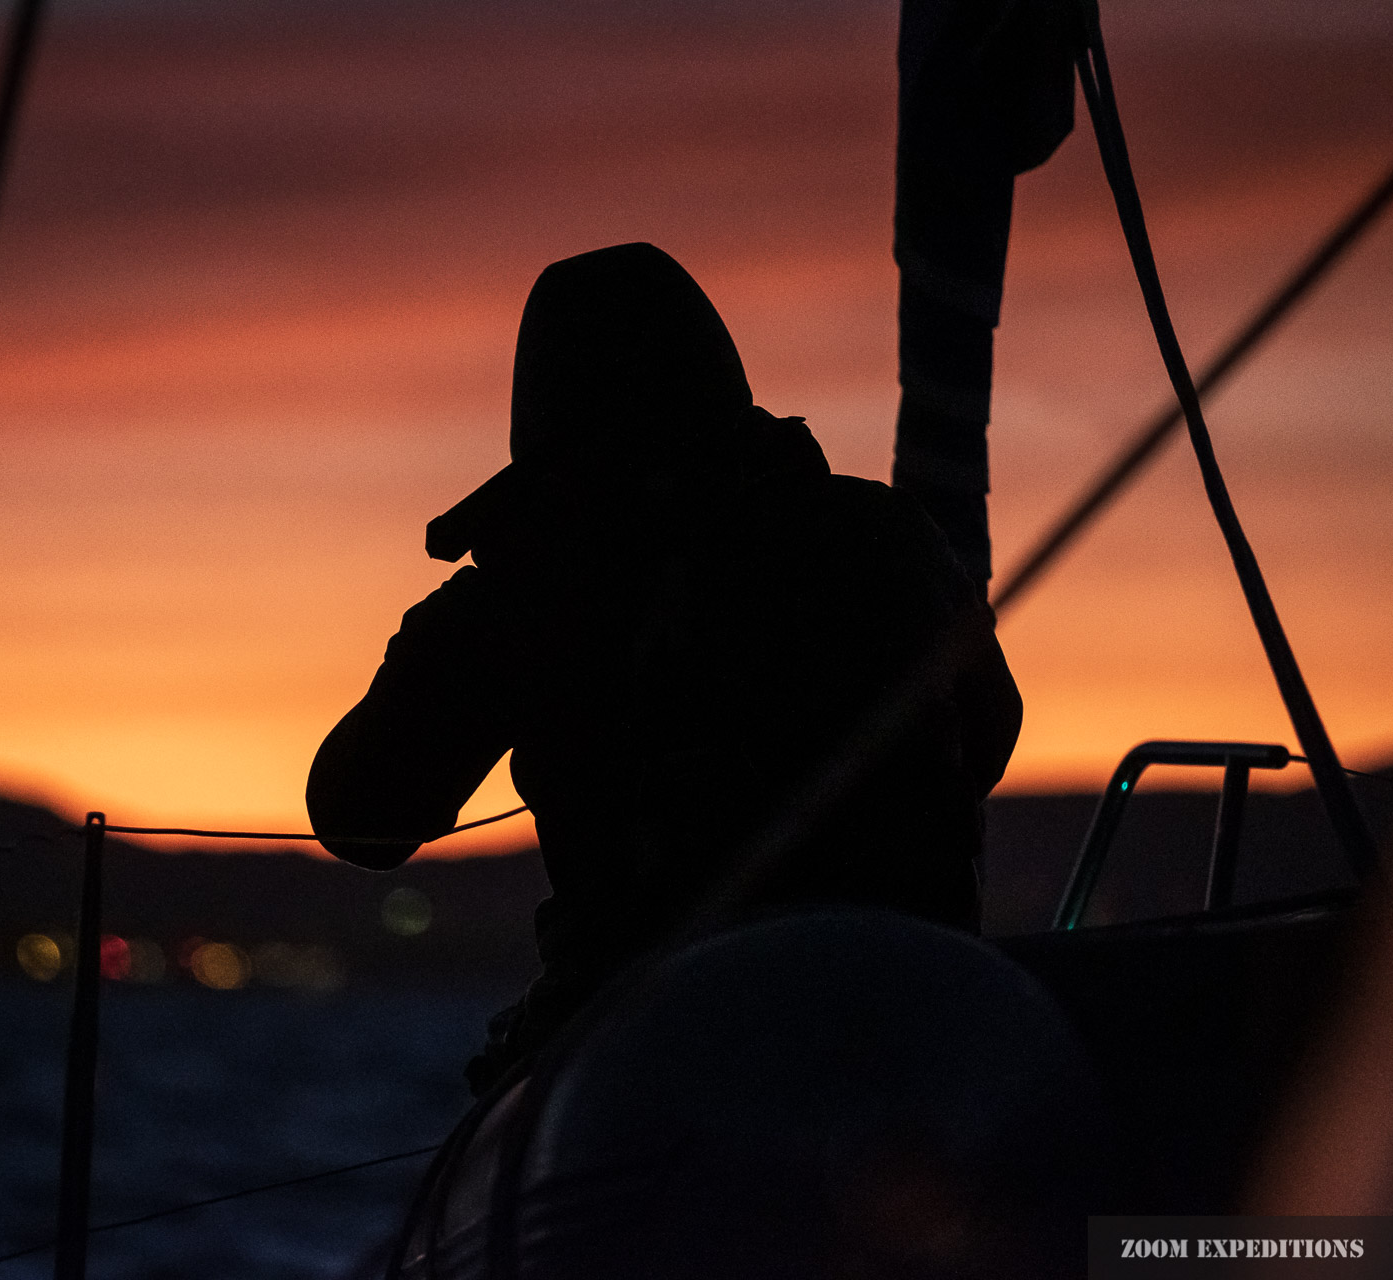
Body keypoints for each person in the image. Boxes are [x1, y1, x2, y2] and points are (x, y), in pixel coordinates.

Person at [307, 243, 1022, 1093]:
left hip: (655, 1057)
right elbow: (991, 738)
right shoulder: (887, 535)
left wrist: (460, 631)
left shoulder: (533, 591)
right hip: (918, 1019)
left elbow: (357, 816)